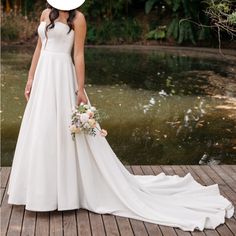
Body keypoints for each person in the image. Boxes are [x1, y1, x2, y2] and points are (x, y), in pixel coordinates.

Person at [7, 0, 234, 232]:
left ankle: (66, 192)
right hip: (44, 77)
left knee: (65, 132)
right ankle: (40, 191)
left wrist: (80, 88)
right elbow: (39, 47)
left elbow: (78, 56)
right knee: (41, 130)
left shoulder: (78, 19)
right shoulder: (46, 13)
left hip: (62, 78)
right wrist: (30, 77)